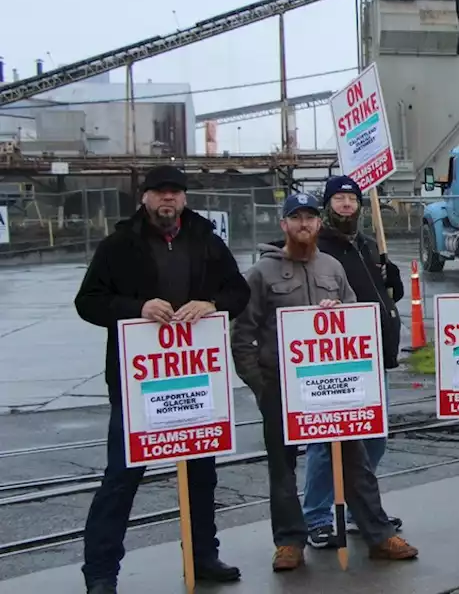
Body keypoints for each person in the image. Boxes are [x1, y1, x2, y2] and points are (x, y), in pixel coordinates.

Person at [73, 165, 250, 594]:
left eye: (174, 193)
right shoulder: (119, 244)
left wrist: (209, 304)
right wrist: (136, 308)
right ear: (144, 198)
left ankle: (202, 555)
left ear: (184, 199)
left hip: (195, 382)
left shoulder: (206, 240)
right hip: (140, 386)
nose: (166, 200)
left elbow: (238, 292)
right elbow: (88, 302)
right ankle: (100, 572)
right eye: (158, 193)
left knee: (200, 473)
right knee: (122, 476)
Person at [229, 192, 418, 572]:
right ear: (284, 224)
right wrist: (261, 385)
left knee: (355, 461)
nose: (304, 225)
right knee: (282, 468)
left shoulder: (332, 267)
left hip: (335, 388)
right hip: (281, 388)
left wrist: (340, 313)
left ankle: (378, 534)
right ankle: (289, 542)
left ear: (318, 224)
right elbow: (241, 335)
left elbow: (354, 319)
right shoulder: (261, 273)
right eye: (295, 218)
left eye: (310, 218)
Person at [301, 175, 406, 549]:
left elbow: (382, 293)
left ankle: (359, 508)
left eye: (351, 198)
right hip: (336, 359)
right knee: (325, 443)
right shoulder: (318, 247)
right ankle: (317, 516)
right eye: (339, 199)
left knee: (374, 440)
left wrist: (391, 280)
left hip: (373, 356)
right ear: (328, 205)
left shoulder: (365, 243)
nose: (346, 204)